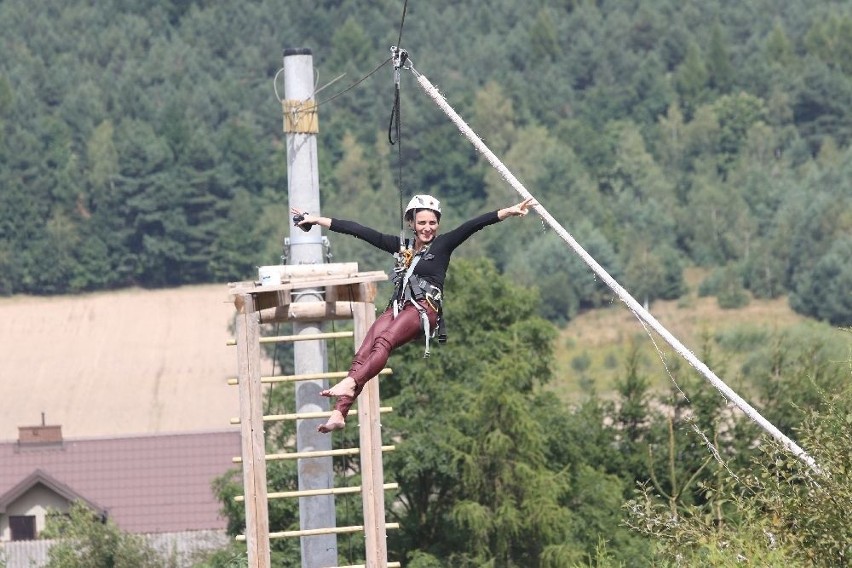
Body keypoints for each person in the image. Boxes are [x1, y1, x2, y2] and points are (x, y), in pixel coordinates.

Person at [290, 195, 536, 433]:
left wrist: (508, 211)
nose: (428, 228)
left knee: (384, 341)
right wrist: (315, 220)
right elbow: (359, 230)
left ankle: (351, 382)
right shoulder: (402, 246)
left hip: (424, 311)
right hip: (398, 308)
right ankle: (339, 414)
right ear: (411, 224)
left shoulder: (443, 244)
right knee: (365, 350)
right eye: (422, 223)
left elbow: (474, 225)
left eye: (432, 223)